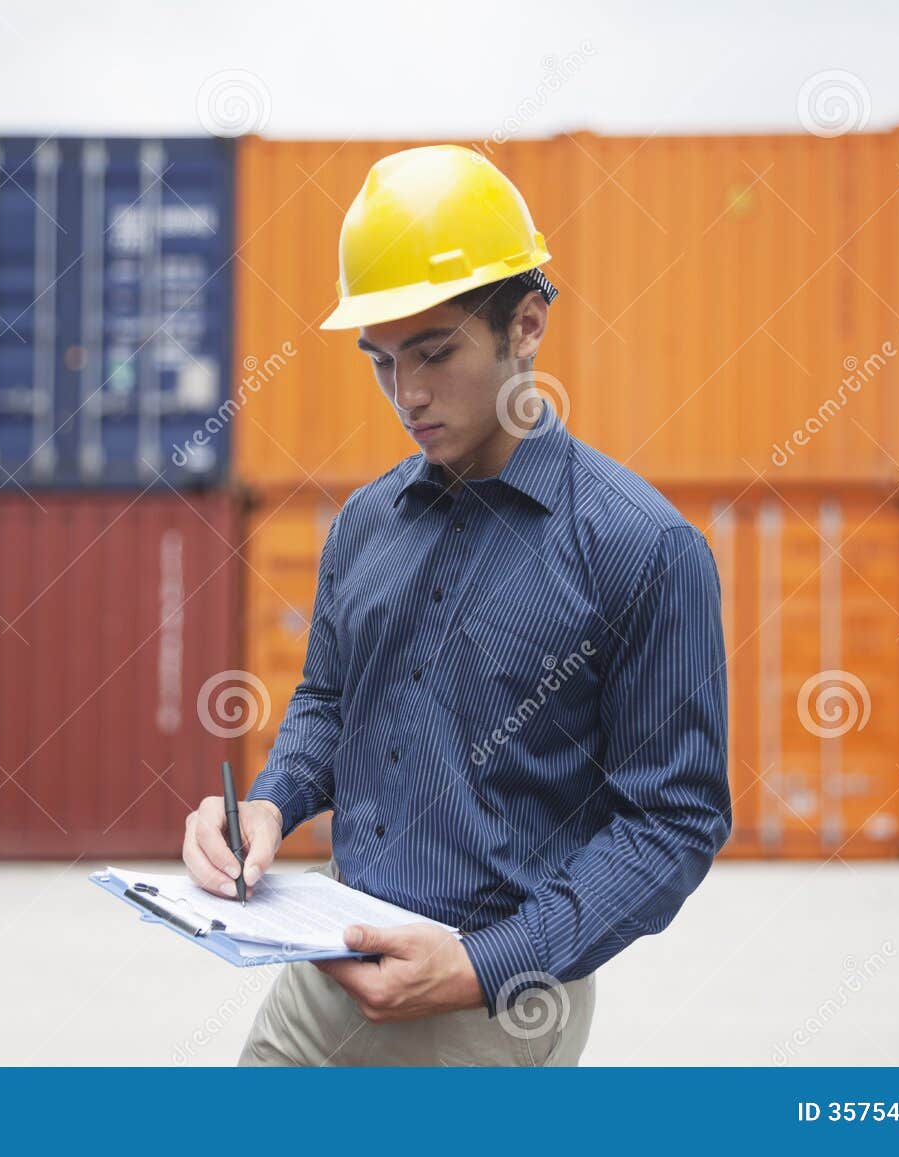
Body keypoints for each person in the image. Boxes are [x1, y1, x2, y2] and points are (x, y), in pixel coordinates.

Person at [181, 144, 731, 1066]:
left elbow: (671, 822)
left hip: (493, 1009)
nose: (408, 395)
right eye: (383, 361)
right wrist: (269, 808)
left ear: (526, 324)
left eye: (435, 353)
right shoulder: (364, 523)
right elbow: (327, 704)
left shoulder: (643, 549)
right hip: (322, 961)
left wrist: (480, 964)